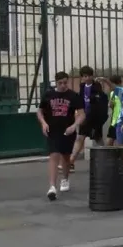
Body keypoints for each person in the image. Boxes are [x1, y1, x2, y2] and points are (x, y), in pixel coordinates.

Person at [38, 71, 84, 201]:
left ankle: (65, 178)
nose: (63, 85)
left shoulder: (73, 96)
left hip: (67, 130)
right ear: (56, 82)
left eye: (65, 82)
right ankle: (52, 186)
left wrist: (74, 126)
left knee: (66, 156)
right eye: (60, 83)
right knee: (54, 155)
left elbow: (82, 114)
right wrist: (43, 123)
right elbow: (40, 111)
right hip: (52, 130)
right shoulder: (49, 95)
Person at [69, 66, 109, 168]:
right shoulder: (82, 86)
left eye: (88, 76)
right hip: (85, 116)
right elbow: (81, 100)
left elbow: (98, 101)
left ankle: (107, 159)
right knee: (80, 138)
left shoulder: (96, 86)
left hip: (94, 118)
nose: (86, 78)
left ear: (92, 76)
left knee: (97, 138)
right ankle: (71, 161)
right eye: (84, 76)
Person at [102, 75, 123, 146]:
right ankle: (109, 155)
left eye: (114, 84)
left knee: (118, 141)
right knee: (110, 139)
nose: (111, 86)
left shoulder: (121, 91)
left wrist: (104, 79)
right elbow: (112, 106)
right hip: (114, 120)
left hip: (120, 119)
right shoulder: (112, 93)